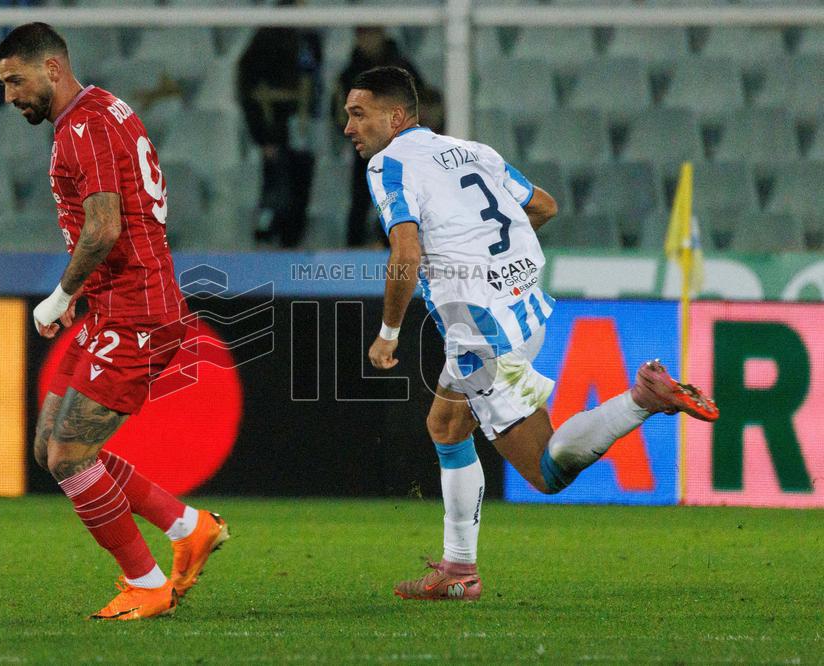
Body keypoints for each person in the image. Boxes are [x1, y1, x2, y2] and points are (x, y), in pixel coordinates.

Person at [343, 66, 719, 601]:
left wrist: (388, 332)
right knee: (447, 425)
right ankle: (458, 570)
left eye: (358, 114)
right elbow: (543, 205)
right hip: (523, 306)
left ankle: (641, 399)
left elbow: (406, 253)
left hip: (482, 334)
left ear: (396, 116)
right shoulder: (473, 151)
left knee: (547, 473)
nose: (348, 127)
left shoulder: (388, 165)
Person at [0, 23, 229, 621]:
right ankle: (189, 527)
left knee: (72, 453)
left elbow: (104, 228)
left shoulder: (83, 127)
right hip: (114, 304)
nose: (9, 96)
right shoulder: (100, 110)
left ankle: (147, 584)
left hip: (138, 311)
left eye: (15, 81)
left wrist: (58, 294)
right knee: (53, 447)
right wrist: (82, 294)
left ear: (52, 68)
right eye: (2, 85)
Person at [237, 3, 321, 247]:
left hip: (304, 131)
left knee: (299, 196)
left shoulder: (310, 41)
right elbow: (251, 92)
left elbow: (313, 86)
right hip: (276, 133)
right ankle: (267, 251)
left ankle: (290, 252)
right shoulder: (264, 43)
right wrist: (264, 137)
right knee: (274, 197)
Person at [335, 27, 425, 248]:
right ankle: (355, 250)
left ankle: (395, 247)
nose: (366, 40)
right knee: (362, 197)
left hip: (400, 147)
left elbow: (420, 99)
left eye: (371, 33)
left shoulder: (402, 68)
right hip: (368, 148)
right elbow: (340, 109)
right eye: (362, 34)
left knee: (400, 197)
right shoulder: (351, 72)